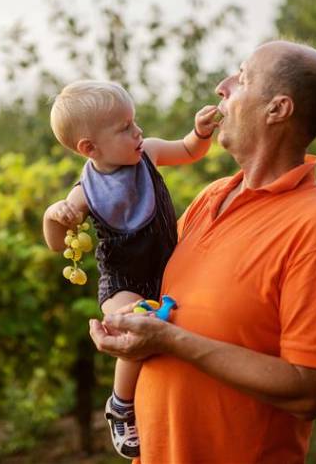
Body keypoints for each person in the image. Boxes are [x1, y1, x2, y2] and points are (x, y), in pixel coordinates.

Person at [89, 41, 316, 463]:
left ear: (277, 109)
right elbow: (160, 295)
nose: (222, 86)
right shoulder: (210, 198)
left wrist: (170, 339)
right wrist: (128, 324)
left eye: (243, 77)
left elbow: (308, 391)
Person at [42, 80, 218, 459]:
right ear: (90, 148)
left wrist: (200, 133)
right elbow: (58, 243)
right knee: (134, 321)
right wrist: (53, 216)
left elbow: (188, 150)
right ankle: (121, 405)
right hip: (122, 281)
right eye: (124, 128)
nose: (137, 132)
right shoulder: (85, 193)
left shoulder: (149, 153)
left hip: (167, 268)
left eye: (134, 122)